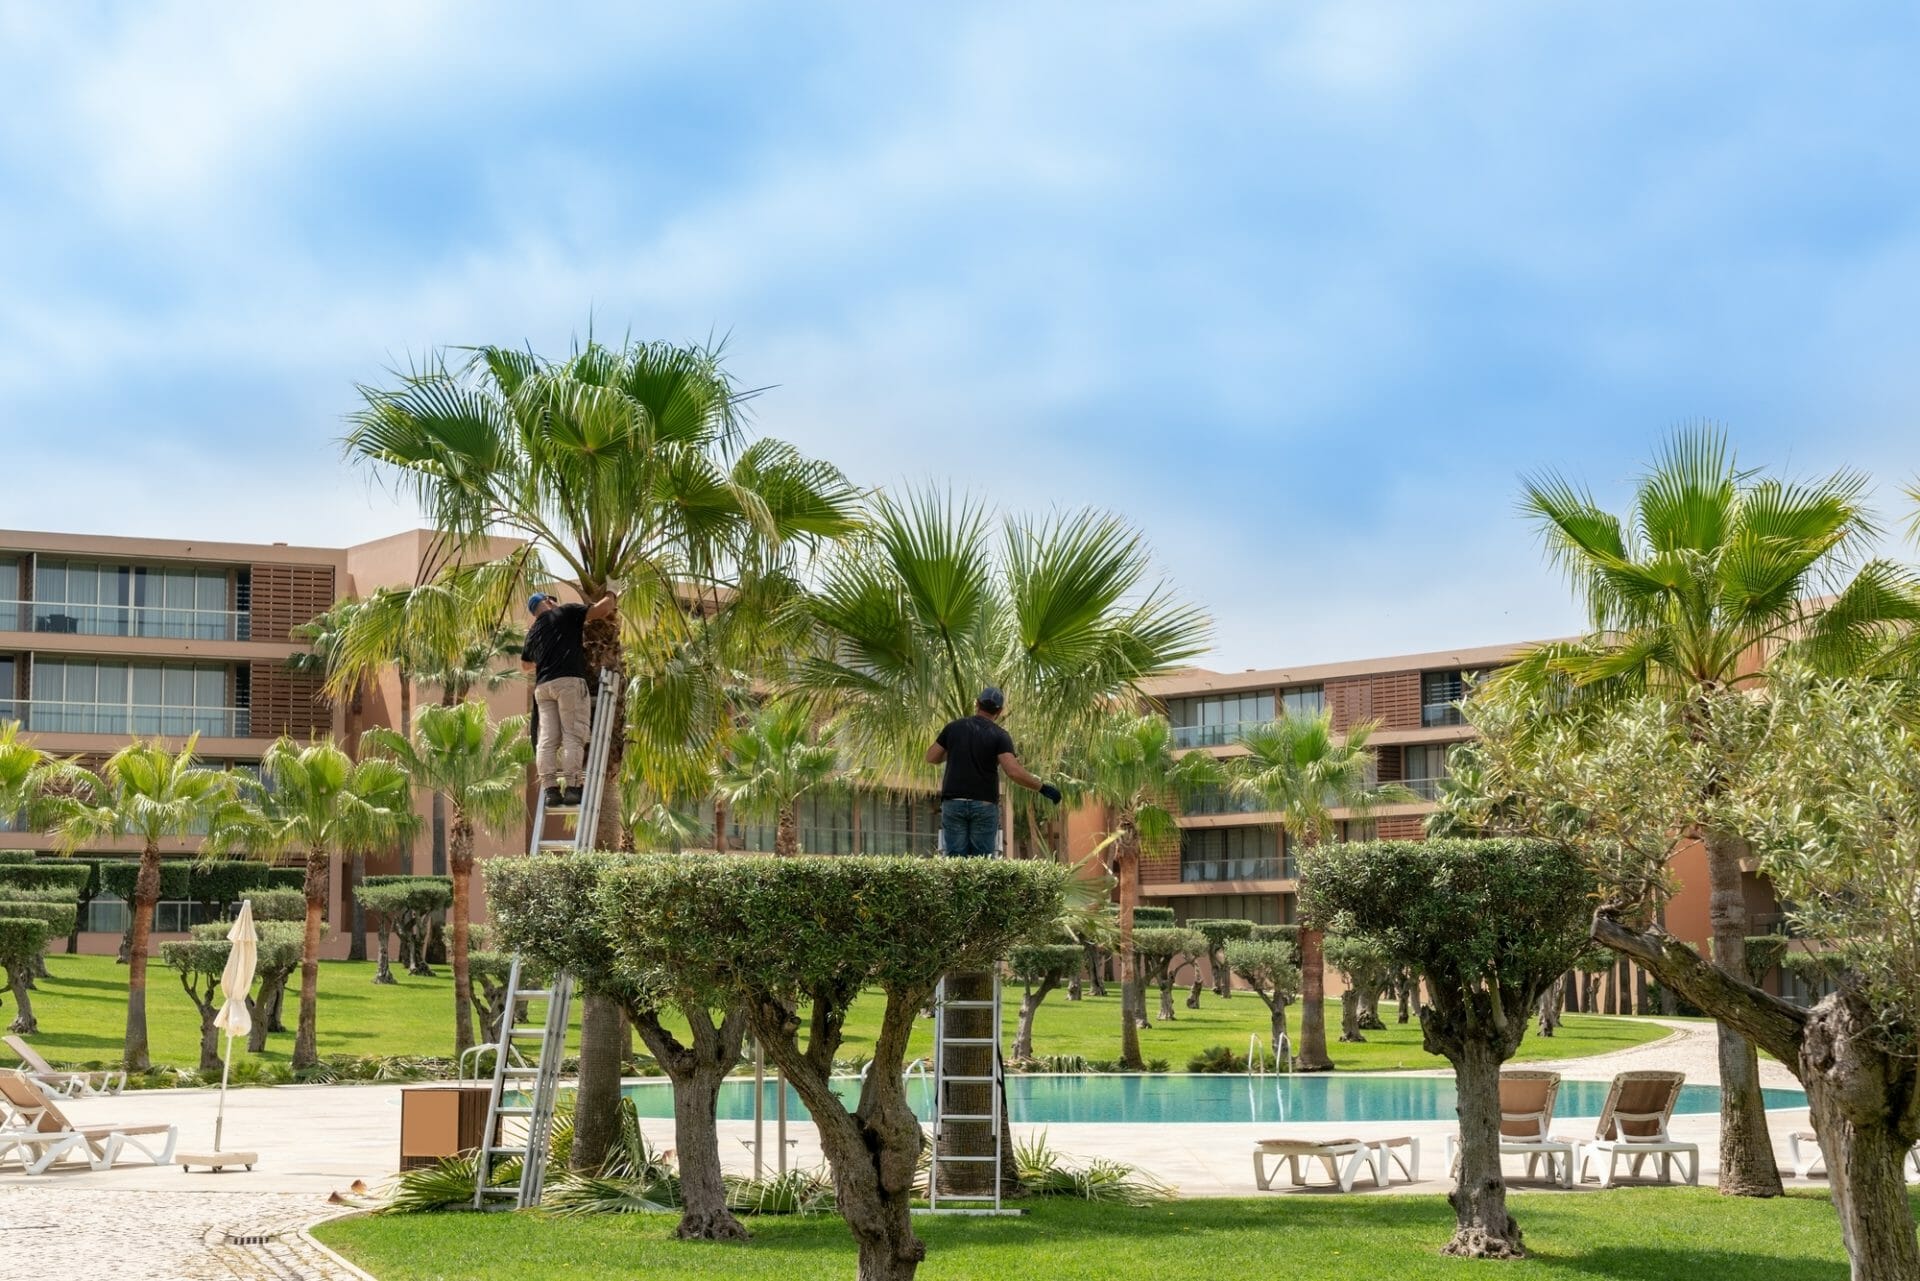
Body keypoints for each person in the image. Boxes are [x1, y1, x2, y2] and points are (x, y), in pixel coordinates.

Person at [925, 686, 1062, 856]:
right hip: (984, 803)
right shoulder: (999, 735)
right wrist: (1042, 788)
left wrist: (955, 749)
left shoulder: (953, 728)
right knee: (982, 862)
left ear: (977, 703)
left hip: (954, 802)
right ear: (1000, 711)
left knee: (956, 861)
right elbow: (1013, 771)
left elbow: (931, 757)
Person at [521, 590, 616, 807]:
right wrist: (611, 592)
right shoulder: (565, 612)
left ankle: (550, 790)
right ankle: (573, 787)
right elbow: (601, 610)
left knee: (547, 740)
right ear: (548, 601)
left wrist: (547, 654)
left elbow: (525, 665)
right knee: (573, 735)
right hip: (568, 682)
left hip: (544, 688)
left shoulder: (533, 631)